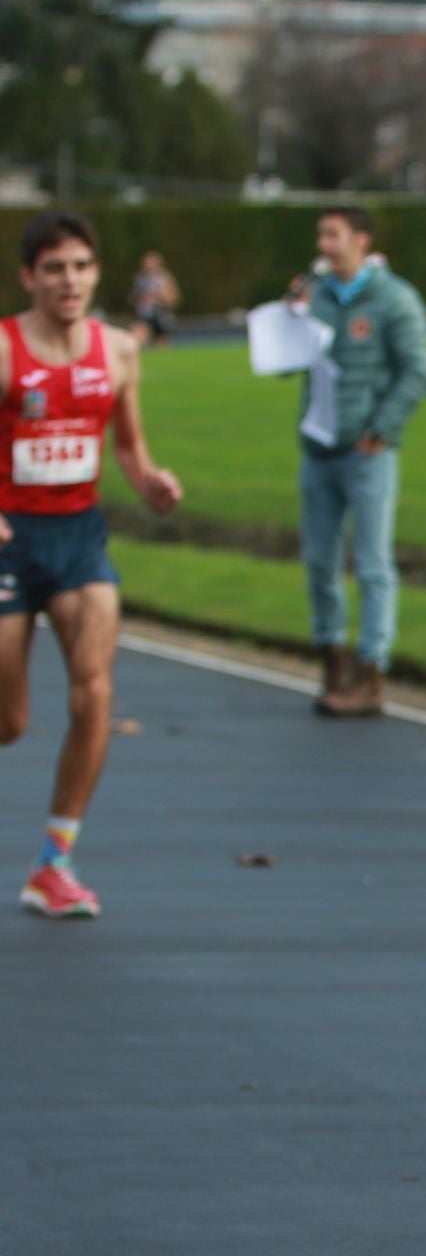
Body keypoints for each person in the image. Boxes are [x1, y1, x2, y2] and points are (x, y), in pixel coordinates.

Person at [1, 211, 184, 918]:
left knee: (95, 693)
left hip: (78, 538)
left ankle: (54, 862)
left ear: (97, 273)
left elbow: (130, 447)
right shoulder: (6, 349)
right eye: (54, 268)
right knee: (9, 722)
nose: (68, 281)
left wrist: (152, 482)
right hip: (10, 543)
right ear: (29, 277)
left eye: (80, 266)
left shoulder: (117, 351)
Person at [287, 206, 426, 717]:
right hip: (317, 448)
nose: (323, 244)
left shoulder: (394, 299)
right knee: (319, 564)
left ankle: (370, 671)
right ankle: (332, 660)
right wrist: (292, 319)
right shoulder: (317, 296)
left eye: (333, 234)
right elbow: (286, 367)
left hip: (365, 452)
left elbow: (417, 371)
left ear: (361, 240)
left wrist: (381, 430)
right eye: (320, 233)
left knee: (371, 564)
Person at [127, 250, 181, 349]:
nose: (148, 265)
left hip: (161, 315)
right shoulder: (140, 278)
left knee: (161, 346)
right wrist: (140, 298)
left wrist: (158, 297)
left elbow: (174, 299)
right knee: (136, 339)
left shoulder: (165, 278)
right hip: (144, 315)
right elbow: (132, 297)